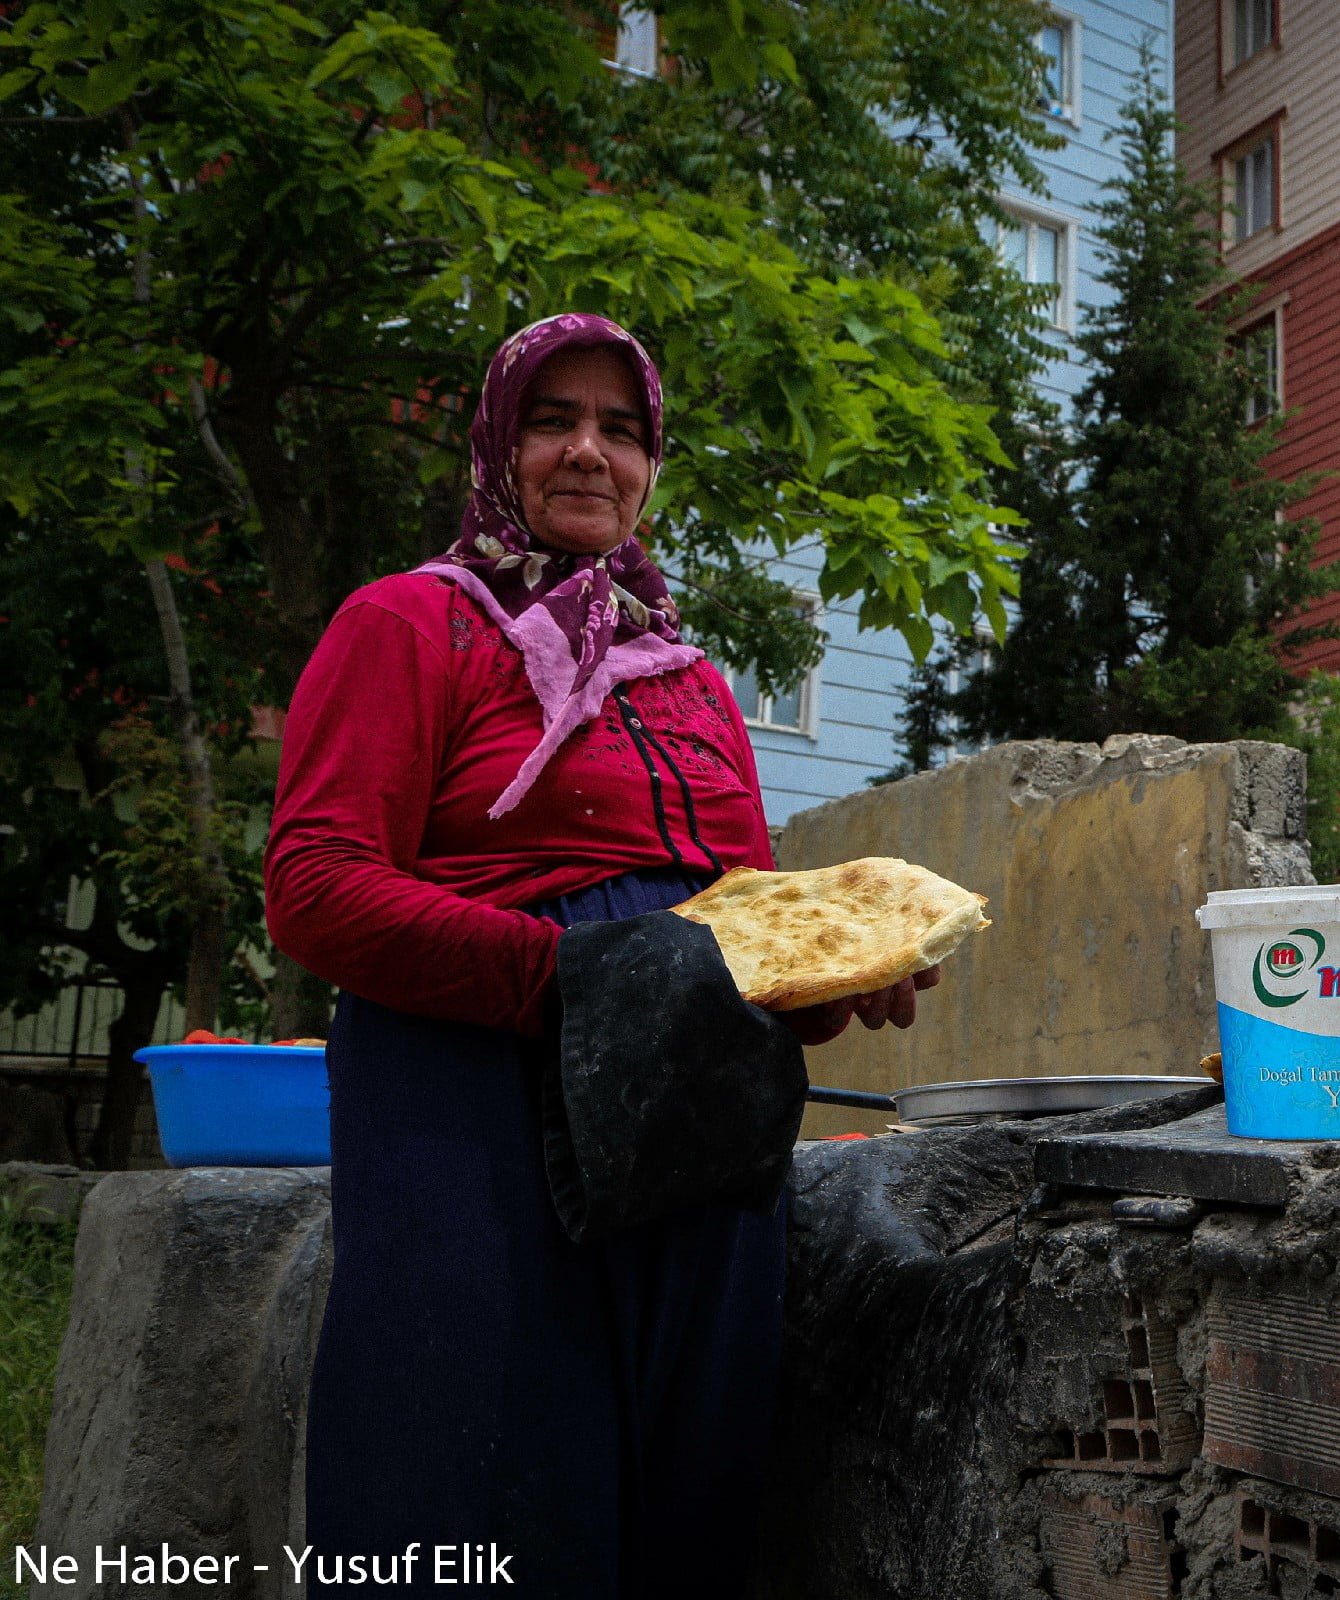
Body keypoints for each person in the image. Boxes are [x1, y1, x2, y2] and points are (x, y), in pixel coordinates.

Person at [263, 312, 929, 1596]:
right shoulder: (411, 624)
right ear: (497, 447)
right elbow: (316, 888)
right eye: (552, 422)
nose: (588, 453)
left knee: (686, 1489)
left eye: (620, 431)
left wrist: (830, 976)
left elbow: (727, 930)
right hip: (473, 1114)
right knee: (479, 1482)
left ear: (650, 462)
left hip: (692, 1134)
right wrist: (571, 982)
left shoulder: (688, 681)